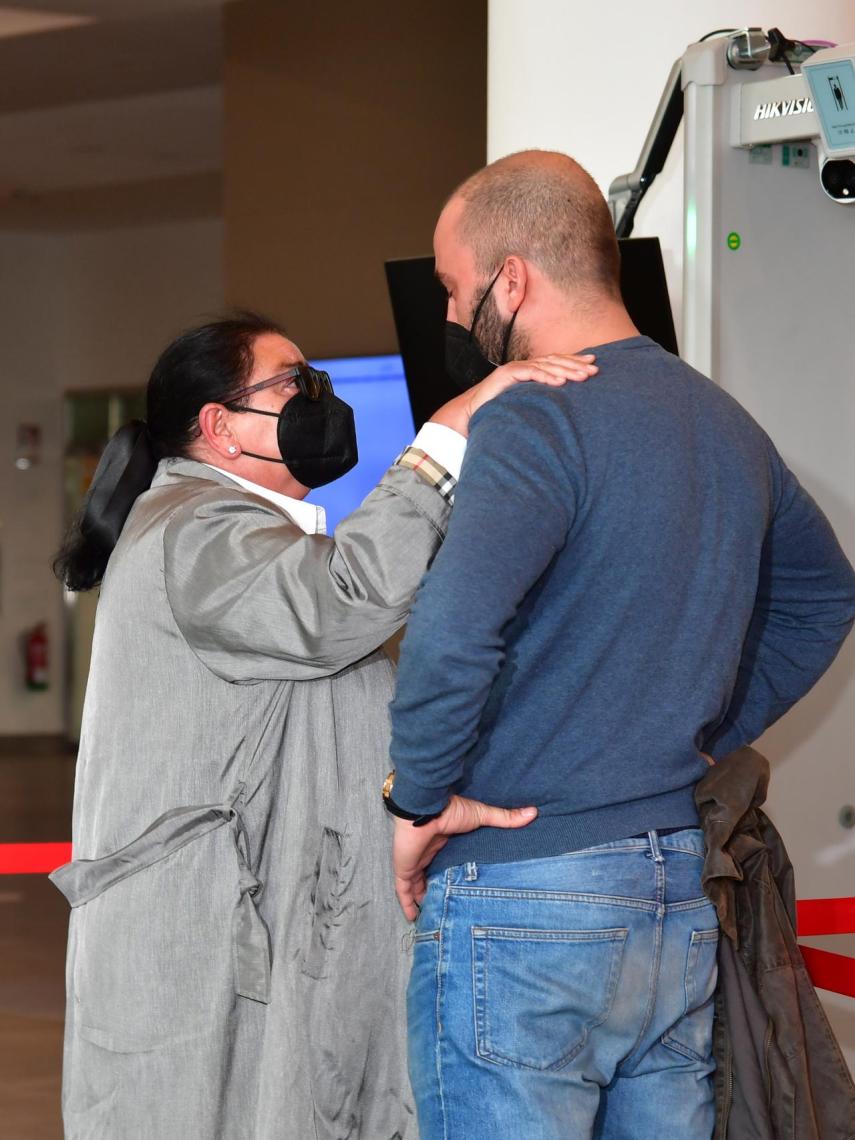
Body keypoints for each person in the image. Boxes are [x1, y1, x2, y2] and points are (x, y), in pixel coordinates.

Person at [386, 151, 855, 1140]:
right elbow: (822, 600)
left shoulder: (531, 412)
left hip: (524, 894)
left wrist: (418, 799)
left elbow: (450, 633)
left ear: (511, 279)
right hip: (673, 892)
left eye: (453, 286)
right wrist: (687, 728)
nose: (450, 314)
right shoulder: (724, 423)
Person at [49, 311, 598, 1140]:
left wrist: (421, 794)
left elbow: (337, 701)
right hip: (201, 955)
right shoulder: (194, 532)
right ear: (219, 426)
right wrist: (444, 436)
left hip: (262, 935)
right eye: (291, 384)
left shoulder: (231, 533)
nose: (317, 402)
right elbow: (345, 601)